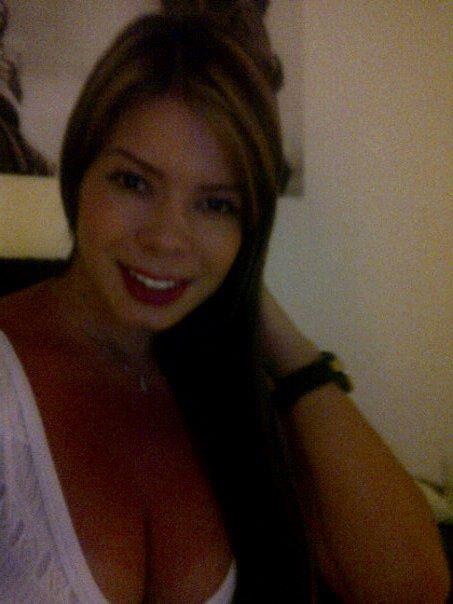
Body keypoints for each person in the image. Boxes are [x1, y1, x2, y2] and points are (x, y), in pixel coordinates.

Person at [0, 2, 449, 603]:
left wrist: (268, 322)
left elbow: (412, 587)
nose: (167, 239)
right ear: (80, 174)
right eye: (134, 181)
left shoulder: (231, 388)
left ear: (249, 225)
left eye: (216, 204)